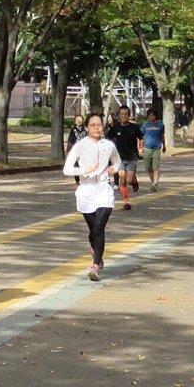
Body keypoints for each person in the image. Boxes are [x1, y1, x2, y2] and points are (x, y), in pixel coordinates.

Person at [63, 113, 121, 281]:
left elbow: (117, 162)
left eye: (99, 125)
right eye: (93, 125)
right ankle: (96, 250)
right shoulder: (80, 146)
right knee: (93, 230)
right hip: (86, 191)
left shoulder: (108, 145)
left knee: (99, 228)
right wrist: (84, 171)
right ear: (87, 127)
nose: (97, 127)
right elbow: (67, 169)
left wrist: (114, 169)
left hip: (104, 190)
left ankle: (95, 266)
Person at [105, 106, 143, 211]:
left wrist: (141, 147)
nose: (124, 116)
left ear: (129, 115)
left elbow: (141, 138)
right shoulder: (115, 128)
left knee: (129, 180)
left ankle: (134, 181)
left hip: (132, 157)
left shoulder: (134, 127)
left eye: (126, 114)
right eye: (122, 114)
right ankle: (126, 202)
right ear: (119, 115)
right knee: (122, 179)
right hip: (119, 158)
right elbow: (108, 139)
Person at [140, 110, 166, 191]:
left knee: (156, 167)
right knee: (148, 168)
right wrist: (140, 146)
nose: (151, 117)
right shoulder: (145, 125)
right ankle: (152, 182)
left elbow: (162, 136)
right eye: (150, 115)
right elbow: (141, 136)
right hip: (147, 148)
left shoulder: (160, 125)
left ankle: (155, 183)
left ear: (155, 116)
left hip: (156, 148)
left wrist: (164, 145)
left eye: (153, 115)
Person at [65, 115, 87, 186]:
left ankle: (84, 180)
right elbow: (70, 141)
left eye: (80, 119)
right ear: (75, 121)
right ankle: (77, 181)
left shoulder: (86, 129)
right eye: (77, 120)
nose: (79, 121)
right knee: (76, 166)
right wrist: (69, 150)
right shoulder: (73, 130)